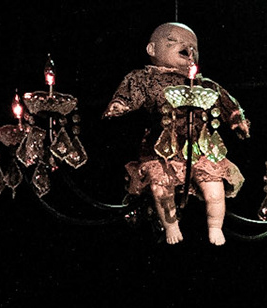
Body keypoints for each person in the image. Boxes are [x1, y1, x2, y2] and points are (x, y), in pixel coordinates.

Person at [104, 20, 251, 247]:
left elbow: (227, 103)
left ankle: (215, 226)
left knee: (215, 190)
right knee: (161, 188)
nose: (187, 47)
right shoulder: (145, 78)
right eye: (173, 41)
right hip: (162, 149)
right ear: (152, 49)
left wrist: (237, 121)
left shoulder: (205, 84)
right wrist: (119, 105)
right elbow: (128, 93)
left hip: (201, 149)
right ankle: (171, 225)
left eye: (193, 46)